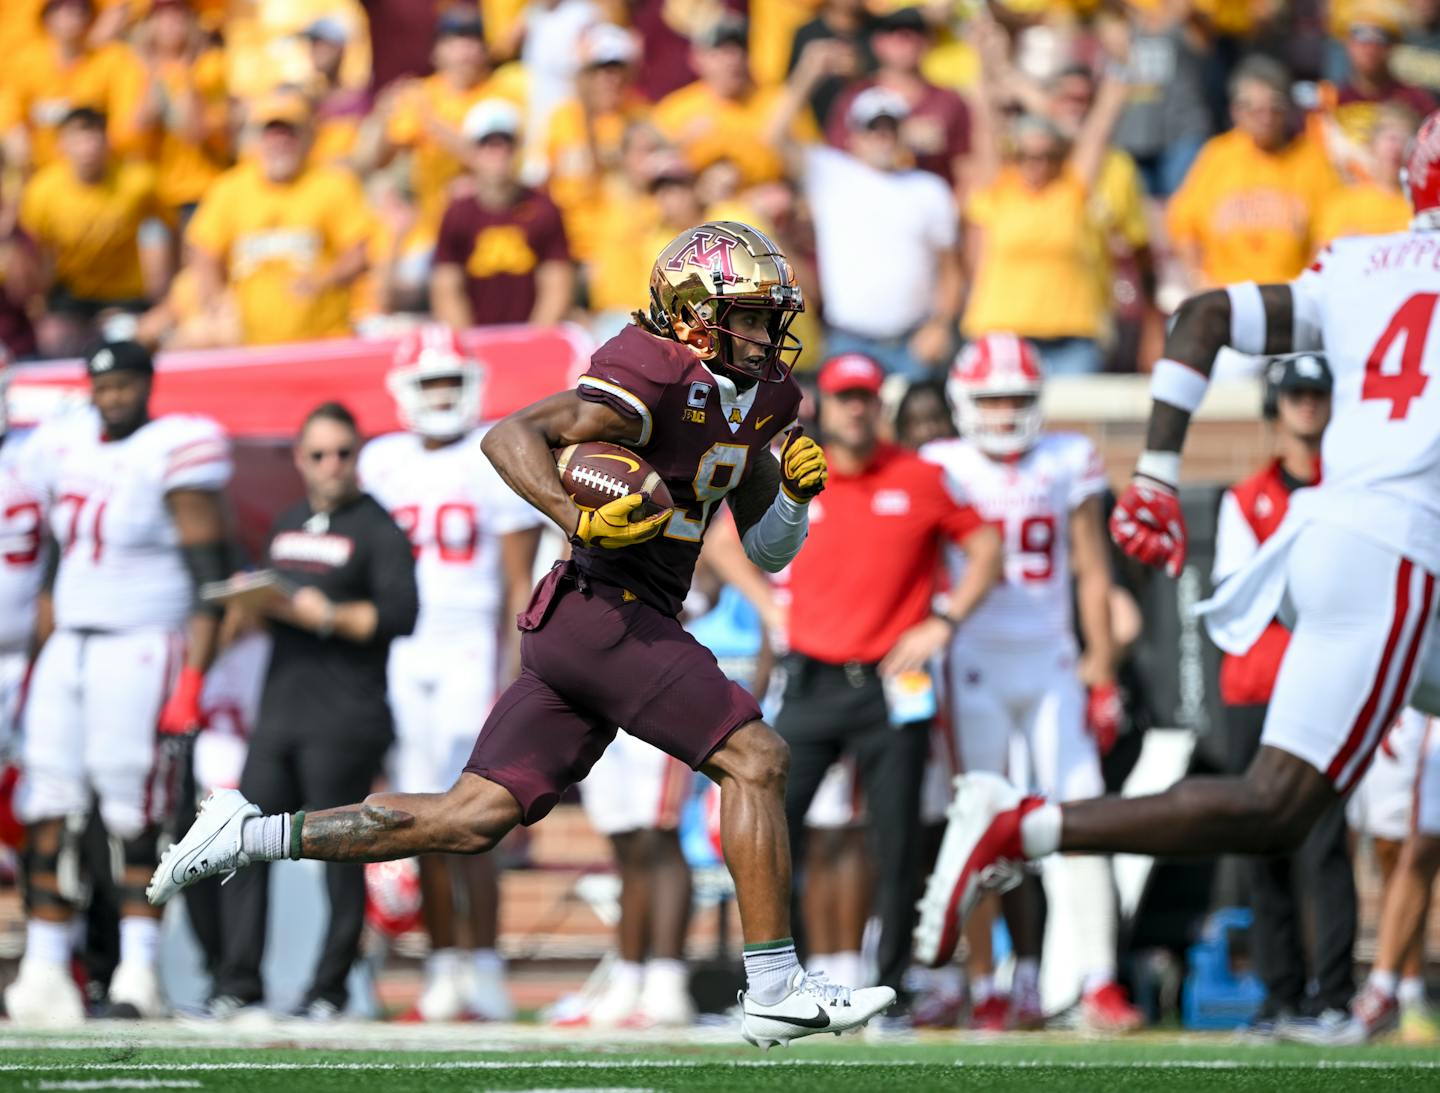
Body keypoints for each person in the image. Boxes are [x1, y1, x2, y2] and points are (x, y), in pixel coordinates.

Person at [151, 220, 899, 1049]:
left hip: (595, 622)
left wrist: (792, 499)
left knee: (469, 818)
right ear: (693, 316)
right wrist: (577, 513)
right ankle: (775, 985)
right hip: (602, 607)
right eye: (750, 316)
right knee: (756, 757)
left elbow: (766, 546)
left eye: (769, 316)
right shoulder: (649, 366)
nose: (766, 334)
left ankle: (247, 832)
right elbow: (509, 435)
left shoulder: (765, 400)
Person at [912, 113, 1440, 1017]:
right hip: (1401, 542)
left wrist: (1156, 473)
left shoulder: (1356, 264)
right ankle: (1023, 822)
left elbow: (1198, 315)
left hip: (1337, 535)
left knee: (1280, 801)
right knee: (1278, 803)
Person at [6, 340, 231, 1025]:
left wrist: (193, 674)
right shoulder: (61, 447)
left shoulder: (175, 448)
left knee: (134, 808)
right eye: (104, 385)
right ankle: (45, 965)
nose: (114, 396)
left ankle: (139, 966)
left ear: (147, 384)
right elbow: (52, 565)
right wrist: (44, 650)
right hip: (71, 642)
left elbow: (210, 580)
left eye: (126, 383)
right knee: (47, 801)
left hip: (141, 642)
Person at [777, 352, 1003, 1020]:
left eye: (866, 396)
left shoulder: (921, 476)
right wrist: (768, 608)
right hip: (811, 677)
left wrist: (945, 618)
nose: (856, 407)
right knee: (771, 828)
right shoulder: (794, 476)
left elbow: (987, 544)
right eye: (845, 395)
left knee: (900, 839)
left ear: (880, 404)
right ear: (823, 402)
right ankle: (778, 978)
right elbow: (729, 539)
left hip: (892, 682)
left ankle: (894, 987)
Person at [924, 334, 1137, 1032]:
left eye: (1018, 397)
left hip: (1050, 661)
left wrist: (1101, 665)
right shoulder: (942, 465)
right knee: (978, 825)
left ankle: (1099, 978)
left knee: (1081, 817)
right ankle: (987, 983)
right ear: (964, 403)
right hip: (972, 662)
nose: (1007, 411)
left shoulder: (1066, 457)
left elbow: (1093, 567)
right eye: (993, 399)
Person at [357, 326, 542, 1021]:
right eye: (429, 383)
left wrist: (518, 670)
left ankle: (486, 963)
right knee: (421, 816)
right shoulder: (381, 461)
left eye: (449, 382)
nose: (441, 396)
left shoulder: (494, 449)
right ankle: (443, 962)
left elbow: (519, 581)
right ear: (404, 391)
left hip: (469, 647)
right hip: (405, 650)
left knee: (478, 817)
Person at [1212, 353, 1356, 1041]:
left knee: (1326, 843)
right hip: (1258, 684)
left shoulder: (1356, 489)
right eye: (1295, 394)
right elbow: (1239, 598)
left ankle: (1333, 995)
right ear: (1277, 405)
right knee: (1261, 842)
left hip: (1328, 681)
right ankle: (1280, 994)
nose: (1306, 406)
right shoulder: (1246, 498)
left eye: (1316, 394)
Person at [960, 23, 1130, 377]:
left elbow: (1101, 122)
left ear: (1059, 156)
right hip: (1003, 335)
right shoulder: (1000, 190)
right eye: (1024, 155)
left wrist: (1120, 60)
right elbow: (985, 122)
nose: (1035, 164)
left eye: (1045, 155)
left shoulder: (1071, 189)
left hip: (1073, 338)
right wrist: (986, 60)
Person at [772, 64, 960, 379]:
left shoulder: (930, 188)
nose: (882, 137)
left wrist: (940, 326)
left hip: (913, 342)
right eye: (872, 128)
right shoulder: (831, 173)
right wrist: (810, 71)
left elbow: (950, 270)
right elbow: (775, 135)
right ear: (854, 135)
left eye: (890, 128)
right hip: (849, 338)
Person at [185, 90, 373, 345]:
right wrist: (216, 299)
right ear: (256, 139)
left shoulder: (332, 184)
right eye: (270, 132)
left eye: (289, 133)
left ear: (307, 137)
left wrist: (323, 280)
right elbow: (203, 250)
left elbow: (358, 252)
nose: (279, 141)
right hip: (252, 344)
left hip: (324, 338)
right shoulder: (230, 188)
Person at [1167, 56, 1336, 291]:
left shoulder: (1311, 160)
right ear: (1236, 111)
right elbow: (1183, 226)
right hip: (1226, 297)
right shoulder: (1217, 156)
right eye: (1254, 110)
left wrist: (1311, 288)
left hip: (1288, 297)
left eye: (1273, 109)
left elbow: (1328, 236)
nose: (1265, 118)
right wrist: (1198, 278)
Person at [571, 730, 696, 1028]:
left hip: (655, 696)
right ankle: (628, 979)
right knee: (625, 844)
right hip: (596, 701)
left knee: (659, 835)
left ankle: (667, 982)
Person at [20, 106, 162, 358]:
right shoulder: (42, 192)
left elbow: (159, 233)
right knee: (52, 340)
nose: (87, 148)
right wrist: (41, 306)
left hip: (125, 296)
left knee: (141, 342)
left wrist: (159, 297)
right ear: (61, 145)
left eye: (93, 137)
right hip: (70, 297)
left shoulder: (138, 184)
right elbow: (36, 255)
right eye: (78, 138)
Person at [431, 99, 575, 329]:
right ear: (472, 152)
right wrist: (472, 345)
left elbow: (556, 285)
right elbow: (447, 289)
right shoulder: (458, 214)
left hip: (531, 338)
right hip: (476, 342)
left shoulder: (543, 209)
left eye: (505, 142)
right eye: (487, 143)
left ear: (517, 149)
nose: (497, 152)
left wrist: (532, 341)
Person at [1345, 712, 1440, 1043]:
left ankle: (1397, 990)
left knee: (1419, 850)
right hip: (1411, 717)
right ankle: (1396, 991)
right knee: (1406, 851)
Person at [823, 7, 970, 190]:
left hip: (929, 206)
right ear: (877, 41)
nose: (904, 37)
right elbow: (836, 161)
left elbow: (966, 169)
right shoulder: (853, 97)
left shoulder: (949, 101)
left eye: (915, 30)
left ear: (929, 41)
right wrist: (902, 136)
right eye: (892, 30)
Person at [0, 0, 145, 173]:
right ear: (47, 17)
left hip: (98, 173)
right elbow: (9, 113)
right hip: (41, 173)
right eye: (61, 8)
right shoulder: (26, 62)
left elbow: (126, 123)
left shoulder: (113, 60)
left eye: (79, 8)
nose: (70, 15)